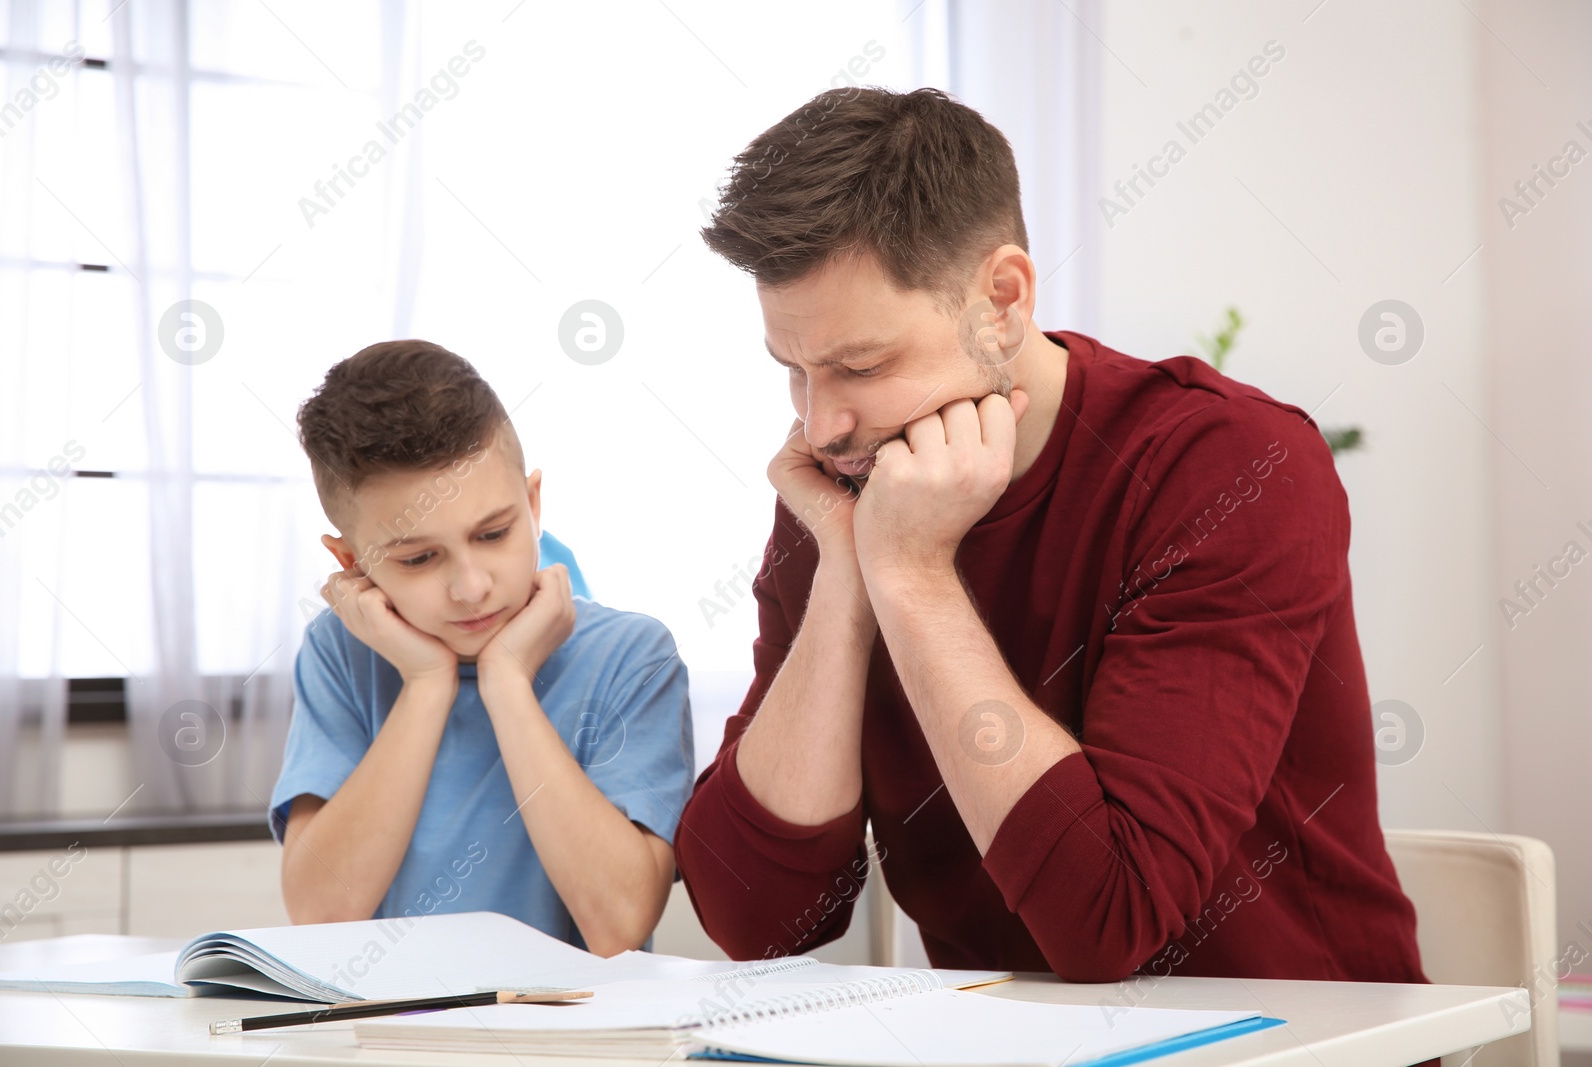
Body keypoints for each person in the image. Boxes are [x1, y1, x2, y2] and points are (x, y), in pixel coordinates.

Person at [675, 87, 1427, 991]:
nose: (821, 423)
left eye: (862, 366)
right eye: (793, 371)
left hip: (1302, 1041)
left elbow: (1109, 919)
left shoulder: (1229, 468)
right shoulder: (851, 481)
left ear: (1001, 298)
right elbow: (757, 920)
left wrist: (910, 574)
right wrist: (847, 573)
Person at [269, 340, 693, 955]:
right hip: (391, 1040)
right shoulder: (342, 652)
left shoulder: (632, 657)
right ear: (352, 563)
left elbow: (618, 925)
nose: (471, 587)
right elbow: (321, 915)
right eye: (418, 558)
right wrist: (425, 683)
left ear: (533, 504)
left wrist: (508, 681)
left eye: (494, 533)